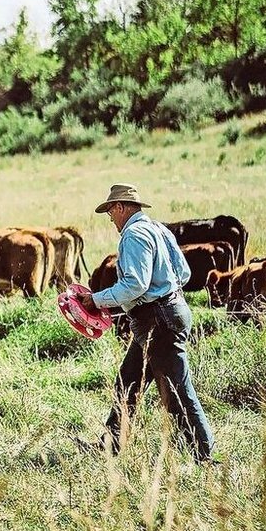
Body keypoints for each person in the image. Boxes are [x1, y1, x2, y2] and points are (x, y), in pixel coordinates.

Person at [75, 183, 215, 462]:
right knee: (128, 381)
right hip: (166, 313)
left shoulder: (133, 235)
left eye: (110, 212)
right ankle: (111, 444)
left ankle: (204, 454)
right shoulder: (159, 229)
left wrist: (96, 300)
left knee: (176, 389)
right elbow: (184, 273)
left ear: (120, 207)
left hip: (156, 320)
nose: (111, 219)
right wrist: (165, 289)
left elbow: (134, 285)